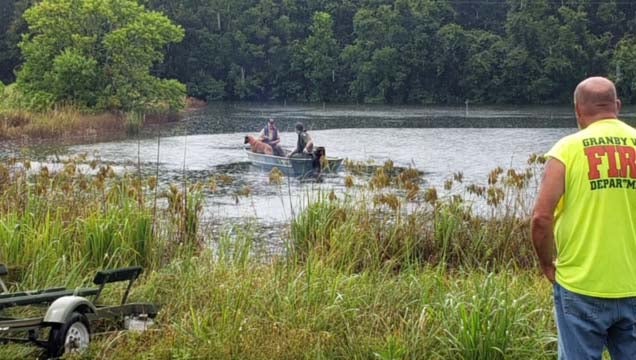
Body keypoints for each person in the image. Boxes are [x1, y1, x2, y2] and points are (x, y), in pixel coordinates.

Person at [532, 76, 636, 359]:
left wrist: (546, 264)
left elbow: (541, 218)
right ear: (617, 105)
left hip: (581, 284)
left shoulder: (567, 149)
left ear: (577, 110)